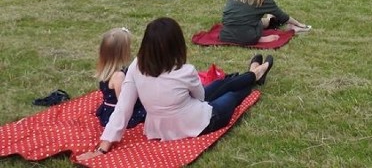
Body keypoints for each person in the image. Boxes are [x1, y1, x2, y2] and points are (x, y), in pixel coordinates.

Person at [78, 17, 273, 161]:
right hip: (199, 122)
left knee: (219, 85)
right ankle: (254, 74)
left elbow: (123, 108)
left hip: (161, 127)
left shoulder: (137, 66)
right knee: (232, 94)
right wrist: (102, 150)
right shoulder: (185, 70)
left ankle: (251, 74)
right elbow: (201, 96)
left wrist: (104, 147)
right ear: (176, 45)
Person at [94, 28, 146, 129]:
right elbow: (124, 102)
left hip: (107, 108)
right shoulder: (118, 76)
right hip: (117, 113)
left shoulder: (106, 70)